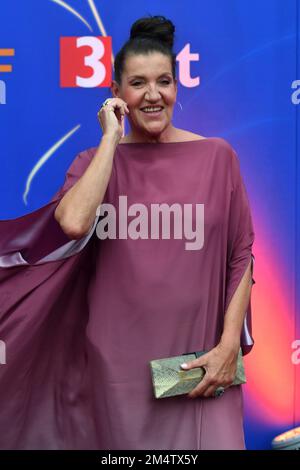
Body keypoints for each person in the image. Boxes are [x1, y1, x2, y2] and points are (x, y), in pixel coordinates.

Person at [0, 15, 255, 450]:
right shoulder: (93, 162)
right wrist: (109, 140)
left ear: (177, 87)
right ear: (116, 94)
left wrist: (230, 344)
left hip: (197, 367)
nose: (153, 95)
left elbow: (241, 254)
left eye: (164, 81)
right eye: (138, 83)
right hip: (115, 375)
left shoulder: (217, 157)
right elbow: (75, 222)